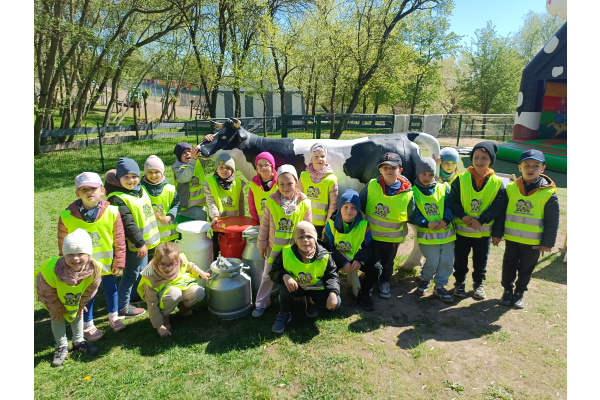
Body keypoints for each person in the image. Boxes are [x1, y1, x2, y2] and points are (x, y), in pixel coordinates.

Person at [57, 172, 127, 342]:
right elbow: (63, 243)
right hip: (82, 266)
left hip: (107, 264)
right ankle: (88, 324)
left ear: (102, 190)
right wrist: (66, 264)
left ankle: (114, 317)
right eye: (84, 189)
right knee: (87, 294)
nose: (89, 192)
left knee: (111, 289)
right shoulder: (67, 216)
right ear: (77, 193)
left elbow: (119, 238)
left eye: (94, 188)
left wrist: (119, 261)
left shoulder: (112, 212)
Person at [495, 149, 560, 309]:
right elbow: (501, 213)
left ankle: (519, 293)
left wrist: (547, 243)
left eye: (536, 166)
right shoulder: (510, 188)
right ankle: (507, 291)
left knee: (526, 269)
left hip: (533, 242)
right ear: (520, 168)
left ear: (542, 168)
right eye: (527, 165)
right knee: (508, 265)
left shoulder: (548, 193)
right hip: (512, 239)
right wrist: (497, 233)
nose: (531, 169)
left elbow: (552, 221)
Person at [449, 141, 507, 300]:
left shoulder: (498, 183)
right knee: (460, 260)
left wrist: (482, 220)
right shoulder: (460, 179)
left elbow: (498, 208)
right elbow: (453, 201)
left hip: (483, 234)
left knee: (481, 261)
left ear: (491, 160)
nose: (480, 161)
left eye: (484, 158)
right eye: (476, 157)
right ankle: (459, 283)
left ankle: (478, 284)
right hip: (462, 232)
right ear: (471, 158)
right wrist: (463, 216)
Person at [36, 229, 102, 367]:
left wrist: (82, 303)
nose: (75, 258)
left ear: (88, 254)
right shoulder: (51, 270)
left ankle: (78, 341)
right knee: (57, 318)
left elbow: (91, 288)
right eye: (70, 254)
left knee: (77, 314)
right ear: (64, 254)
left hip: (75, 299)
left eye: (80, 253)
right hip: (54, 298)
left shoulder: (94, 269)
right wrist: (56, 308)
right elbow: (45, 289)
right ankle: (62, 346)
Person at [252, 165, 312, 317]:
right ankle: (261, 302)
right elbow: (265, 225)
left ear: (296, 182)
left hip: (294, 249)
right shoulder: (271, 201)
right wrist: (262, 245)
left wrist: (308, 247)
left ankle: (295, 300)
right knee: (267, 275)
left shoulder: (304, 202)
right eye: (281, 184)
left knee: (295, 274)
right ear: (277, 184)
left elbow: (308, 227)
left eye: (289, 183)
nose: (285, 188)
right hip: (274, 247)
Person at [105, 157, 160, 318]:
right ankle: (122, 306)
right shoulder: (117, 197)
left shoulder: (139, 189)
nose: (131, 180)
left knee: (141, 271)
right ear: (118, 178)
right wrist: (139, 243)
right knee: (131, 273)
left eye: (134, 176)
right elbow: (128, 224)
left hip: (147, 241)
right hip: (135, 244)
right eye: (126, 177)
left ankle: (134, 295)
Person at [359, 152, 415, 299]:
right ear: (380, 170)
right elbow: (362, 202)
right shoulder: (372, 186)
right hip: (372, 236)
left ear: (400, 170)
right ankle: (371, 279)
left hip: (392, 239)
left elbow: (410, 211)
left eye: (393, 167)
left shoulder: (408, 192)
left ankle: (385, 281)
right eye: (385, 167)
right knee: (372, 260)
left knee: (388, 263)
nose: (389, 170)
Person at [269, 221, 341, 334]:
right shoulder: (286, 253)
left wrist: (333, 293)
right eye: (301, 237)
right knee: (284, 287)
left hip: (316, 288)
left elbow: (332, 275)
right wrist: (285, 276)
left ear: (315, 238)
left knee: (337, 303)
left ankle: (311, 300)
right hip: (296, 287)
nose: (305, 240)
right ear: (296, 240)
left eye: (309, 236)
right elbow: (273, 272)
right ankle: (285, 313)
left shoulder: (325, 255)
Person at [137, 242, 211, 337]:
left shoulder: (181, 260)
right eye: (163, 264)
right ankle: (164, 316)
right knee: (174, 294)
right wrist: (159, 326)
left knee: (199, 292)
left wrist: (201, 273)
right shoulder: (151, 276)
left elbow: (190, 266)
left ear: (177, 260)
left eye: (171, 264)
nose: (168, 268)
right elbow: (152, 304)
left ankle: (182, 306)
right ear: (156, 261)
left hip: (179, 288)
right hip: (166, 296)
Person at [322, 189, 378, 311]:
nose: (349, 211)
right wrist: (343, 262)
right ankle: (330, 292)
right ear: (340, 208)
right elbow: (326, 247)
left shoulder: (364, 225)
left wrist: (359, 260)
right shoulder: (330, 224)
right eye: (345, 207)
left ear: (358, 210)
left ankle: (365, 293)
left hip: (355, 258)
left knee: (376, 268)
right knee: (325, 266)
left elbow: (368, 246)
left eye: (353, 208)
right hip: (337, 258)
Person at [410, 157, 456, 303]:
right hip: (427, 237)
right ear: (418, 174)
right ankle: (425, 279)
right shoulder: (413, 192)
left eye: (430, 174)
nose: (427, 177)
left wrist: (446, 220)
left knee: (447, 262)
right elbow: (413, 214)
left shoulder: (443, 188)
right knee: (433, 261)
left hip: (446, 235)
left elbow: (449, 206)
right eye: (424, 174)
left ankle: (440, 286)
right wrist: (426, 223)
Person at [202, 153, 246, 259]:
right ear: (216, 169)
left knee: (235, 246)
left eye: (228, 168)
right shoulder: (210, 183)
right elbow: (211, 201)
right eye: (221, 167)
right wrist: (215, 216)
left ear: (232, 170)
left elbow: (241, 201)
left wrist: (242, 217)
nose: (224, 170)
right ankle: (215, 262)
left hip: (234, 223)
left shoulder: (238, 183)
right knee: (217, 245)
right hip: (219, 222)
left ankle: (235, 261)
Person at [298, 143, 338, 237]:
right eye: (316, 156)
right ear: (311, 159)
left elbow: (333, 205)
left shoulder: (331, 180)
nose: (319, 159)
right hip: (305, 222)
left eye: (322, 156)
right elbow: (297, 199)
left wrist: (327, 224)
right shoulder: (303, 176)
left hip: (322, 226)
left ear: (326, 159)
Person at [141, 155, 181, 245]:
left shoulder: (170, 189)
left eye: (156, 172)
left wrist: (170, 216)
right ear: (145, 173)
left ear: (162, 172)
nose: (153, 175)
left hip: (169, 235)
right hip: (150, 236)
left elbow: (177, 204)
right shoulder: (141, 190)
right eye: (150, 172)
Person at [170, 139, 211, 222]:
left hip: (200, 203)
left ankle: (215, 229)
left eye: (189, 151)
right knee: (201, 214)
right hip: (186, 207)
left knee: (214, 211)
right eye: (184, 152)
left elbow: (210, 156)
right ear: (179, 156)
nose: (188, 154)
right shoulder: (177, 169)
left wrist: (206, 142)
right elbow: (185, 177)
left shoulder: (198, 162)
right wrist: (193, 160)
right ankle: (203, 231)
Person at [248, 152, 278, 225]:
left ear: (272, 166)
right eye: (260, 165)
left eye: (266, 165)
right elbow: (252, 205)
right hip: (262, 223)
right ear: (256, 167)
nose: (263, 168)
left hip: (278, 222)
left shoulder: (279, 181)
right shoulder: (254, 184)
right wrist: (255, 220)